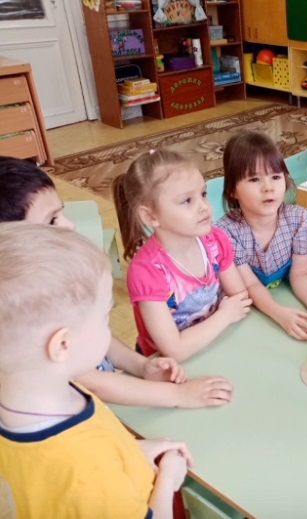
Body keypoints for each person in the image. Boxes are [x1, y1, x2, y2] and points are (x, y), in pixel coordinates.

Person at [0, 156, 233, 408]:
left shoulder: (54, 277)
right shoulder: (23, 307)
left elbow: (93, 334)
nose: (70, 225)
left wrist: (141, 366)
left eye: (62, 213)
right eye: (52, 220)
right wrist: (179, 396)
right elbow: (90, 382)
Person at [0, 222, 192, 518]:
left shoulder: (39, 392)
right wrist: (168, 477)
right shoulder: (88, 469)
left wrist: (133, 451)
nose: (109, 326)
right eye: (105, 316)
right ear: (63, 344)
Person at [113, 149, 253, 362]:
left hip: (216, 343)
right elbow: (174, 350)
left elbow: (240, 298)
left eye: (203, 194)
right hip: (169, 365)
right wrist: (225, 315)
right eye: (187, 200)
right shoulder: (146, 271)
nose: (204, 207)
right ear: (150, 216)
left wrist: (227, 315)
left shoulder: (215, 240)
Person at [215, 131, 307, 341]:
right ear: (232, 190)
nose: (268, 188)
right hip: (247, 306)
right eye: (254, 179)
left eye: (275, 177)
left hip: (280, 289)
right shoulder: (226, 233)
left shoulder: (299, 219)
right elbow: (250, 285)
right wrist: (280, 314)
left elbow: (300, 273)